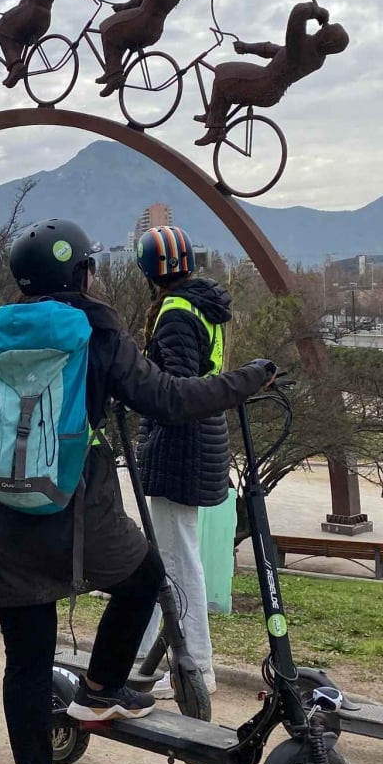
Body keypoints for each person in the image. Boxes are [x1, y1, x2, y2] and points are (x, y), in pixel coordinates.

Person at [0, 218, 275, 764]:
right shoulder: (97, 330)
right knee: (146, 579)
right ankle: (101, 688)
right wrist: (247, 381)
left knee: (25, 663)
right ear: (80, 272)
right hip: (80, 513)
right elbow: (169, 399)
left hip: (5, 516)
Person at [131, 226, 230, 697]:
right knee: (164, 553)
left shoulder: (174, 311)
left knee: (177, 556)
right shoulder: (203, 306)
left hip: (180, 443)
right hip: (202, 436)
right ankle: (144, 650)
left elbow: (174, 389)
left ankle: (196, 668)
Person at [193, 1, 348, 145]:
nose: (324, 27)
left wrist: (319, 12)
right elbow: (276, 51)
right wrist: (248, 48)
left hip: (263, 85)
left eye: (327, 29)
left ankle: (216, 129)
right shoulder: (313, 56)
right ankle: (213, 114)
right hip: (269, 87)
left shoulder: (304, 50)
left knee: (223, 77)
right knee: (227, 75)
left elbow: (299, 12)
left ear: (326, 41)